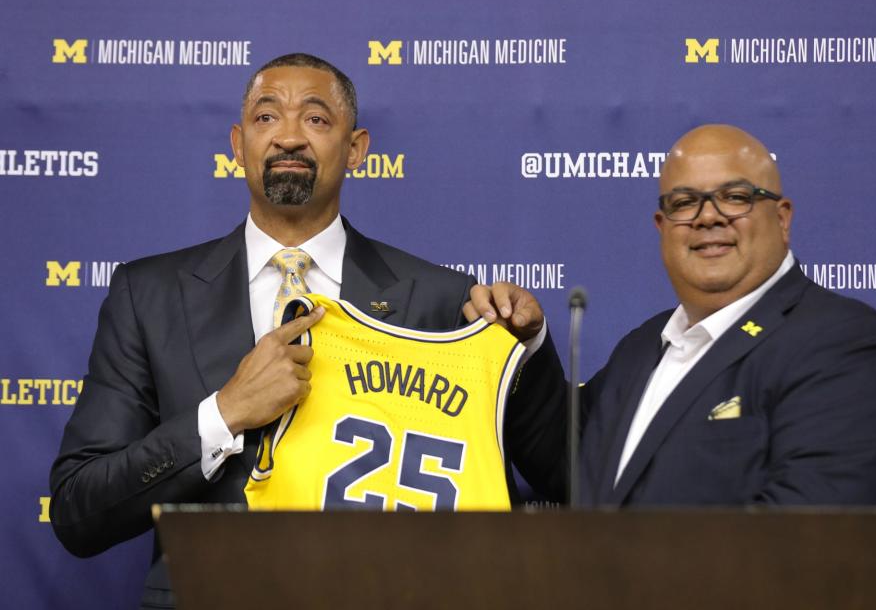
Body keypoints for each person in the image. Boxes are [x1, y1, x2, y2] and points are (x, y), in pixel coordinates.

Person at [49, 53, 540, 609]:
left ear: (356, 149)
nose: (288, 137)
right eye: (265, 118)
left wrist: (528, 349)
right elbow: (77, 509)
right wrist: (224, 414)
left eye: (315, 119)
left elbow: (553, 470)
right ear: (237, 146)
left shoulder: (441, 298)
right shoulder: (149, 294)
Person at [466, 124, 876, 506]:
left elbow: (814, 541)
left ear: (783, 218)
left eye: (735, 196)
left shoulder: (843, 345)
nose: (708, 217)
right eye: (685, 203)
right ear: (662, 227)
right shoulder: (645, 346)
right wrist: (521, 345)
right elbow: (570, 461)